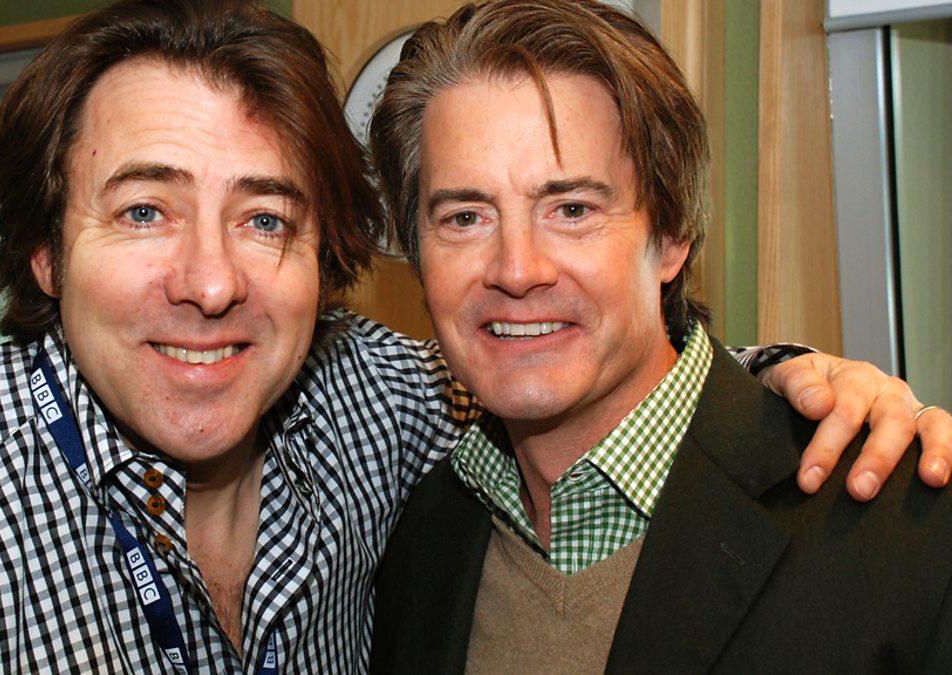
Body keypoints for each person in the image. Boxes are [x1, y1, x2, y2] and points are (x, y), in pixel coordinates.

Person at [0, 1, 945, 673]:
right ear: (44, 252)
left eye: (265, 219)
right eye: (145, 211)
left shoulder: (379, 410)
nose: (210, 283)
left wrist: (793, 379)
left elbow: (588, 373)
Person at [367, 1, 952, 672]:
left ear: (671, 237)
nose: (517, 270)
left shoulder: (908, 528)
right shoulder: (420, 536)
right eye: (465, 217)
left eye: (572, 209)